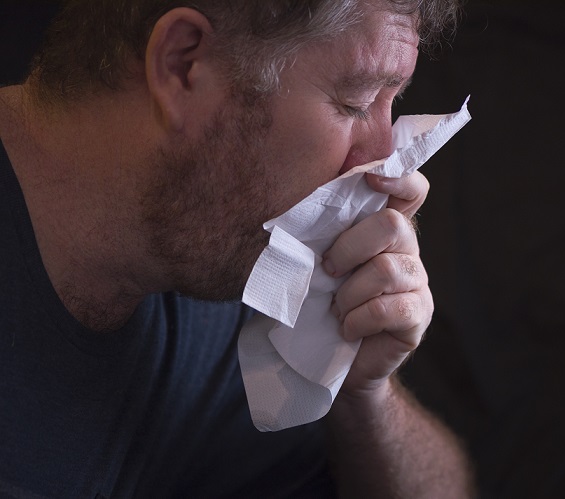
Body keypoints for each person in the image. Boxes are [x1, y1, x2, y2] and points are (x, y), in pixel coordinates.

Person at [0, 0, 473, 497]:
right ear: (183, 65)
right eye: (355, 103)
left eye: (391, 102)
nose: (384, 161)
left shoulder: (216, 264)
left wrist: (360, 392)